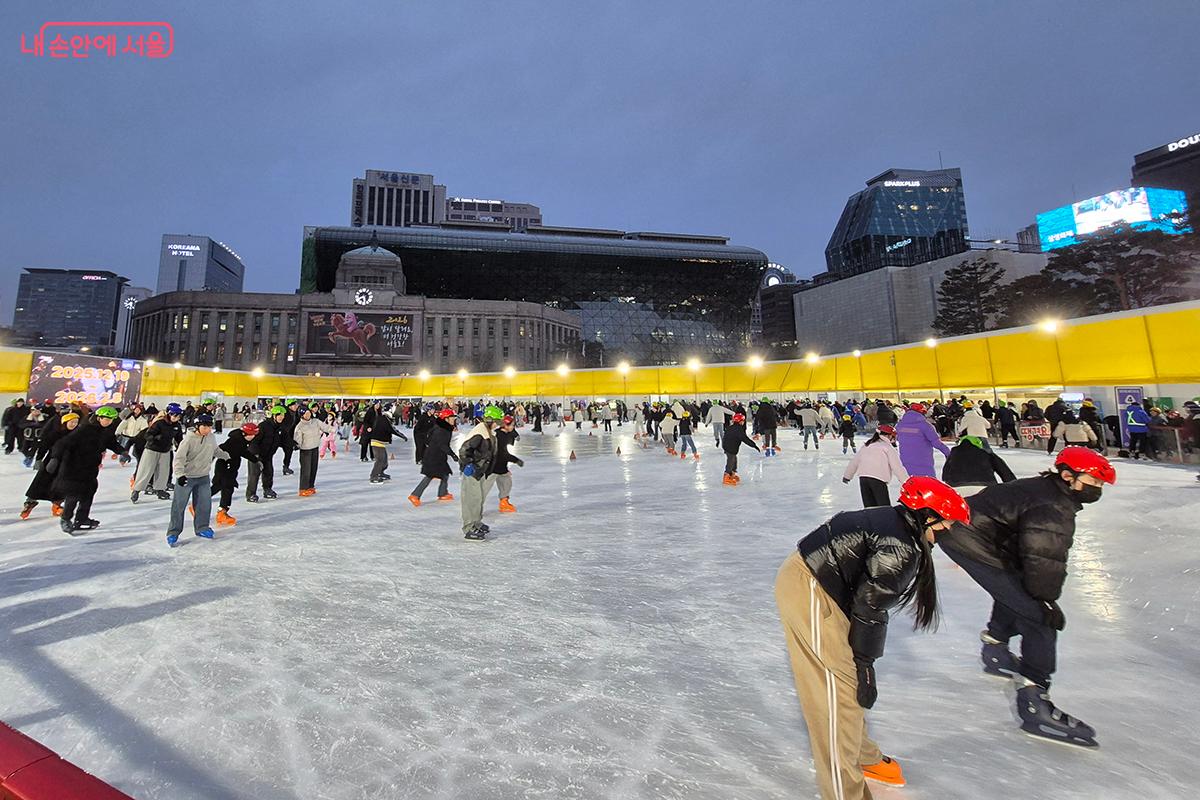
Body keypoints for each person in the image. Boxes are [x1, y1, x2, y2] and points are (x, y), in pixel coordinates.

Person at [775, 476, 971, 799]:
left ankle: (864, 756)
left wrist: (862, 662)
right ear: (927, 515)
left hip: (821, 587)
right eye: (946, 522)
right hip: (810, 588)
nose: (948, 530)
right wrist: (865, 664)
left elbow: (868, 600)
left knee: (847, 686)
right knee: (837, 694)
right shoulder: (902, 547)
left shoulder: (899, 526)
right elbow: (869, 606)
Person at [936, 447, 1116, 748]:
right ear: (1069, 476)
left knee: (1017, 589)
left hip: (971, 532)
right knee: (1039, 616)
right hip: (969, 538)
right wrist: (1045, 601)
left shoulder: (1048, 490)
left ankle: (996, 649)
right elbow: (1044, 558)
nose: (1096, 490)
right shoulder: (1053, 505)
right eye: (1093, 483)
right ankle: (1036, 703)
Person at [47, 405, 125, 534]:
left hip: (90, 467)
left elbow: (111, 443)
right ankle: (65, 519)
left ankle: (81, 519)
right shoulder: (85, 429)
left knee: (88, 494)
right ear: (99, 418)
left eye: (111, 420)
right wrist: (54, 458)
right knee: (73, 494)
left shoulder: (106, 431)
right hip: (74, 467)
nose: (109, 422)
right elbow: (63, 443)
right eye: (106, 419)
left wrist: (123, 451)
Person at [166, 412, 228, 547]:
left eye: (209, 427)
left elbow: (215, 450)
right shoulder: (188, 440)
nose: (208, 430)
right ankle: (173, 532)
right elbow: (179, 459)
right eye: (204, 427)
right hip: (187, 478)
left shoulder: (210, 437)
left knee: (204, 505)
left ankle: (202, 528)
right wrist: (180, 475)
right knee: (179, 505)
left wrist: (226, 456)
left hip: (203, 477)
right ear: (197, 427)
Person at [20, 411, 79, 520]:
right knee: (41, 481)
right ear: (65, 422)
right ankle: (29, 502)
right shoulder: (55, 434)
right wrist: (38, 459)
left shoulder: (77, 435)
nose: (74, 424)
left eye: (76, 422)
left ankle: (57, 505)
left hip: (67, 463)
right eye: (71, 422)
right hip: (51, 461)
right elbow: (44, 446)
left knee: (61, 484)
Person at [458, 405, 503, 539]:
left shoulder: (488, 432)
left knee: (478, 498)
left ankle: (476, 522)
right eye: (496, 421)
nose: (497, 425)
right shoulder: (480, 433)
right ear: (490, 420)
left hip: (480, 471)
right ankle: (469, 527)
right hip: (472, 471)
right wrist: (468, 465)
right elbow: (464, 450)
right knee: (471, 499)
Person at [842, 425, 907, 507]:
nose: (894, 439)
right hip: (878, 480)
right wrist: (906, 482)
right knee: (884, 509)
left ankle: (871, 520)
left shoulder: (867, 446)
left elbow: (854, 462)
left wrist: (847, 476)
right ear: (888, 435)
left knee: (870, 509)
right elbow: (897, 467)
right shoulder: (887, 448)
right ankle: (884, 520)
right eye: (893, 437)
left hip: (863, 479)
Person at [211, 422, 260, 526]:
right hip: (224, 466)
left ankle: (222, 512)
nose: (253, 437)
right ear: (244, 434)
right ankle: (199, 505)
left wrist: (255, 460)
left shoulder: (241, 441)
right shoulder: (235, 441)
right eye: (251, 435)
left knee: (226, 488)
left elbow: (243, 452)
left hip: (231, 467)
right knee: (221, 486)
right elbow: (221, 448)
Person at [132, 404, 183, 502]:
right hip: (152, 449)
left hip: (165, 451)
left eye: (178, 416)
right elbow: (147, 435)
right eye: (174, 415)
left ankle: (159, 489)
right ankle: (137, 489)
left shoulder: (177, 426)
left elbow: (179, 438)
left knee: (163, 471)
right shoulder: (159, 423)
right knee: (146, 470)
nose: (176, 418)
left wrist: (180, 446)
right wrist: (155, 438)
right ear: (169, 414)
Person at [409, 408, 458, 506]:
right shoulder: (442, 430)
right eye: (452, 418)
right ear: (445, 419)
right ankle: (415, 495)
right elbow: (442, 445)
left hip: (437, 456)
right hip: (433, 457)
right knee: (429, 476)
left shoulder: (442, 427)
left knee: (445, 474)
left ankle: (442, 493)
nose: (454, 420)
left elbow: (429, 439)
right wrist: (452, 454)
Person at [940, 435, 1016, 496]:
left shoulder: (954, 453)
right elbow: (1004, 471)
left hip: (957, 487)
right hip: (986, 486)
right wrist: (1014, 486)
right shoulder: (986, 454)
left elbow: (945, 475)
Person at [896, 403, 951, 478]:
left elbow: (898, 438)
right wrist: (948, 453)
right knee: (927, 484)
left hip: (906, 461)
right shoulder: (925, 425)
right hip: (923, 461)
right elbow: (936, 442)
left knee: (910, 484)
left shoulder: (900, 425)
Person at [247, 404, 285, 502]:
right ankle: (251, 494)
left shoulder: (279, 427)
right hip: (255, 454)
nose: (281, 417)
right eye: (279, 415)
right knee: (254, 474)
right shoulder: (264, 426)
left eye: (282, 415)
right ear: (274, 416)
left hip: (268, 454)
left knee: (268, 472)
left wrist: (292, 445)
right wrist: (255, 455)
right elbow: (254, 441)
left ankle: (267, 490)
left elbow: (284, 440)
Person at [292, 405, 333, 496]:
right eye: (305, 414)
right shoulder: (300, 426)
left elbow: (325, 427)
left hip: (315, 448)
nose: (308, 415)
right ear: (301, 415)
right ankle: (303, 488)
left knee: (313, 468)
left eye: (308, 413)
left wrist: (332, 429)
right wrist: (296, 445)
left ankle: (310, 486)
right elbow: (297, 438)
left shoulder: (315, 421)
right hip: (305, 450)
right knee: (306, 470)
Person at [368, 406, 408, 483]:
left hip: (380, 443)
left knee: (384, 460)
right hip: (377, 442)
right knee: (380, 460)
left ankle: (380, 473)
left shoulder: (382, 419)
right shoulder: (384, 420)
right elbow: (393, 430)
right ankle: (374, 476)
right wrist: (402, 436)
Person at [493, 414, 525, 512]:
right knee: (484, 488)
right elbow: (503, 454)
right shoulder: (500, 436)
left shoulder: (502, 434)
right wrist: (516, 460)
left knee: (506, 482)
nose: (513, 427)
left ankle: (504, 502)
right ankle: (475, 508)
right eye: (512, 425)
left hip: (499, 466)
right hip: (493, 467)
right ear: (506, 426)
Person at [721, 412, 759, 485]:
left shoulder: (730, 427)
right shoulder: (739, 429)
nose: (743, 422)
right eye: (743, 421)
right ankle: (726, 476)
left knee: (734, 460)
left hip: (727, 446)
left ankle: (732, 474)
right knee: (731, 461)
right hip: (730, 448)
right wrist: (754, 445)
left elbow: (725, 437)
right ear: (740, 421)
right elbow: (745, 439)